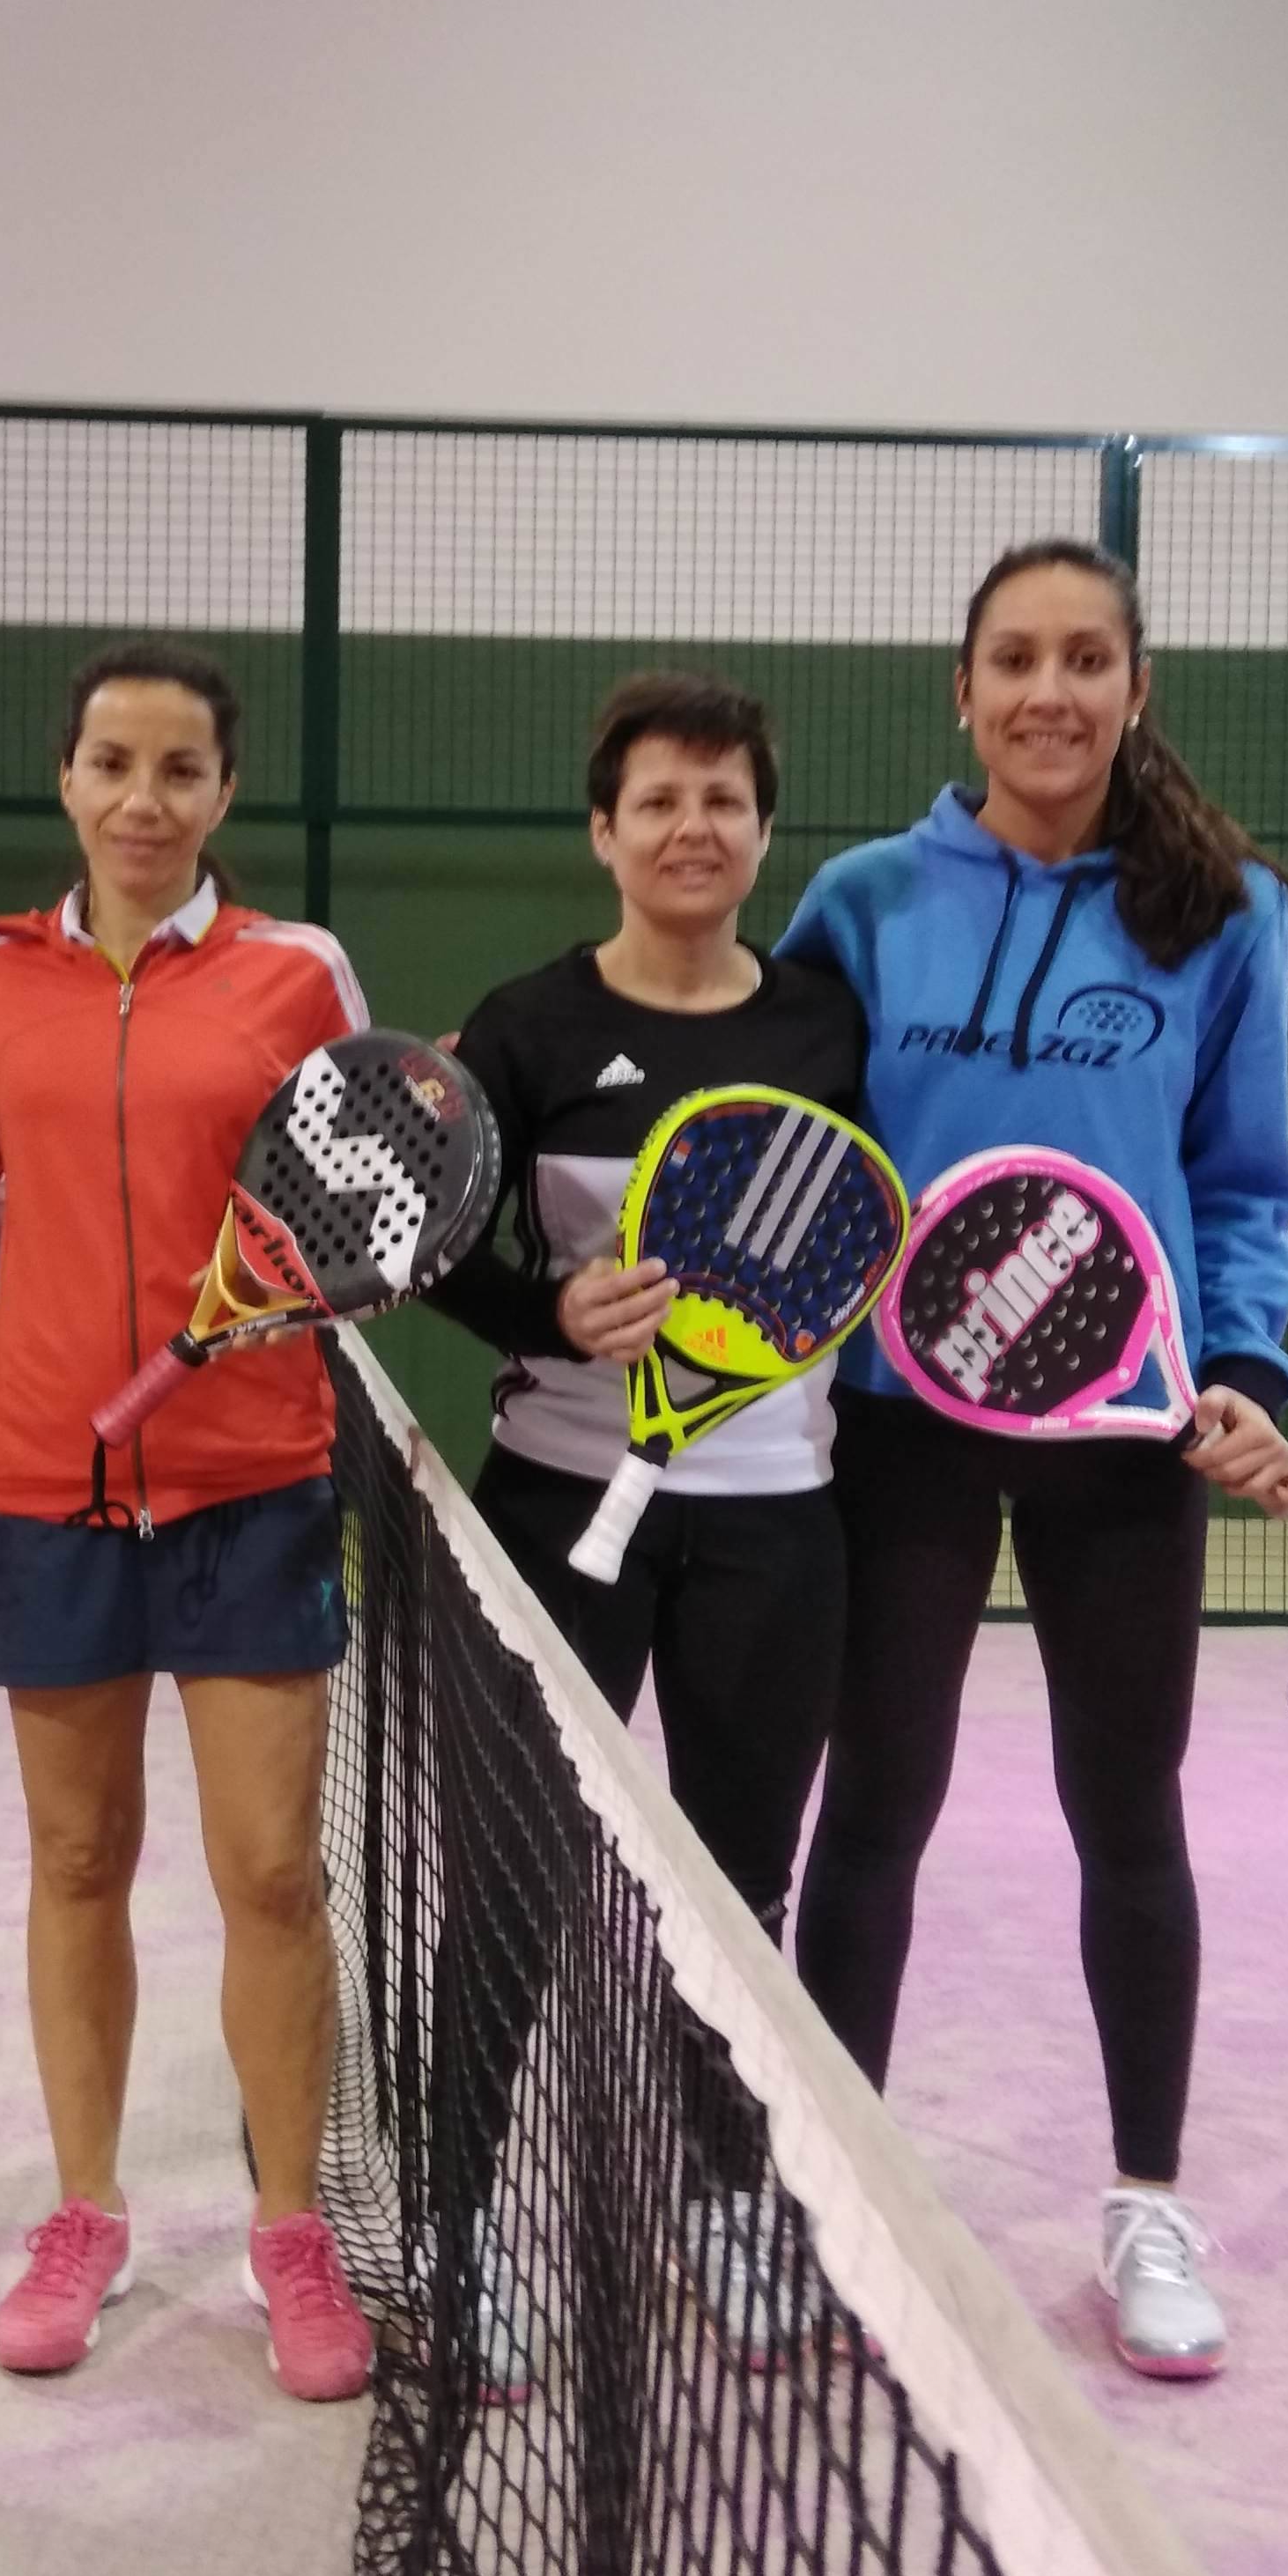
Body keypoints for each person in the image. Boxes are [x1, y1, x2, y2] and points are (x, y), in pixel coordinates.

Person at [778, 540, 1288, 2380]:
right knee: (874, 1807)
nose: (1050, 694)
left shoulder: (1228, 912)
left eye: (1088, 660)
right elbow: (780, 1135)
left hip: (1125, 1433)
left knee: (1128, 1811)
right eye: (1015, 659)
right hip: (896, 1425)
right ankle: (831, 2196)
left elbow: (1243, 1182)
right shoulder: (860, 901)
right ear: (963, 689)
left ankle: (1148, 2204)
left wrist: (1239, 1372)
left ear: (1136, 689)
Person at [0, 639, 379, 2402]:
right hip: (46, 1481)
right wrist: (45, 1297)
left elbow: (354, 1198)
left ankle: (288, 2226)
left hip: (252, 1481)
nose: (142, 799)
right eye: (111, 762)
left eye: (179, 769)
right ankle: (86, 2211)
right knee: (74, 1862)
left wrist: (243, 1317)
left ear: (223, 792)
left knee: (268, 1870)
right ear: (66, 779)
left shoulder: (294, 974)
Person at [418, 672, 869, 2383]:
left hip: (775, 1527)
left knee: (742, 1887)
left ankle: (727, 2195)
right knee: (512, 1875)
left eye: (723, 799)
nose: (694, 828)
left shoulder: (826, 1028)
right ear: (603, 832)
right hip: (556, 1511)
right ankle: (458, 2221)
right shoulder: (527, 1026)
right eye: (659, 800)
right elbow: (434, 1233)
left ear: (763, 831)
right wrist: (546, 1314)